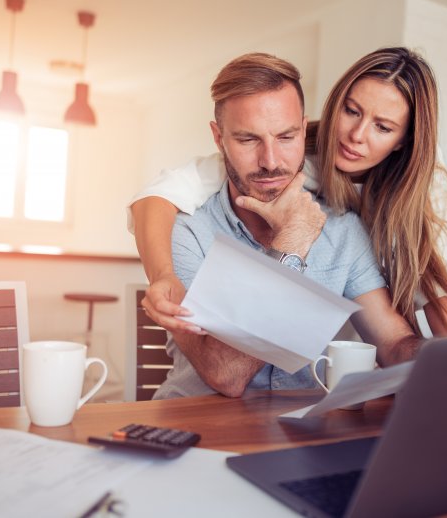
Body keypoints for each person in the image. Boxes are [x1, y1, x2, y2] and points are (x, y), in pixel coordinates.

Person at [131, 47, 447, 339]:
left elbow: (445, 311)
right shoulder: (291, 154)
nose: (356, 135)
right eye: (351, 111)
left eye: (382, 127)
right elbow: (160, 196)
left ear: (404, 141)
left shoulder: (422, 182)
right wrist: (164, 275)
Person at [154, 52, 420, 399]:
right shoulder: (187, 231)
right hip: (194, 430)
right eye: (248, 139)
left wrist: (444, 362)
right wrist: (291, 246)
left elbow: (393, 341)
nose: (271, 161)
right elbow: (225, 373)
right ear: (219, 138)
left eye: (286, 137)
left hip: (298, 433)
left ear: (304, 128)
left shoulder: (343, 231)